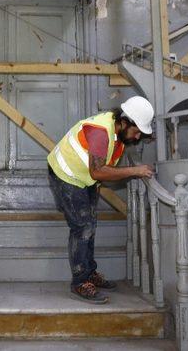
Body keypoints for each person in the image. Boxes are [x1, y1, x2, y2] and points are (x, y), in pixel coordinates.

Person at [47, 96, 155, 304]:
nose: (138, 136)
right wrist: (135, 170)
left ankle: (89, 273)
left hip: (85, 179)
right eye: (136, 131)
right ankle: (79, 281)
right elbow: (97, 170)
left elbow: (101, 170)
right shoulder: (100, 132)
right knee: (82, 227)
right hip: (65, 173)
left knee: (91, 224)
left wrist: (94, 187)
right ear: (124, 122)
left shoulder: (119, 137)